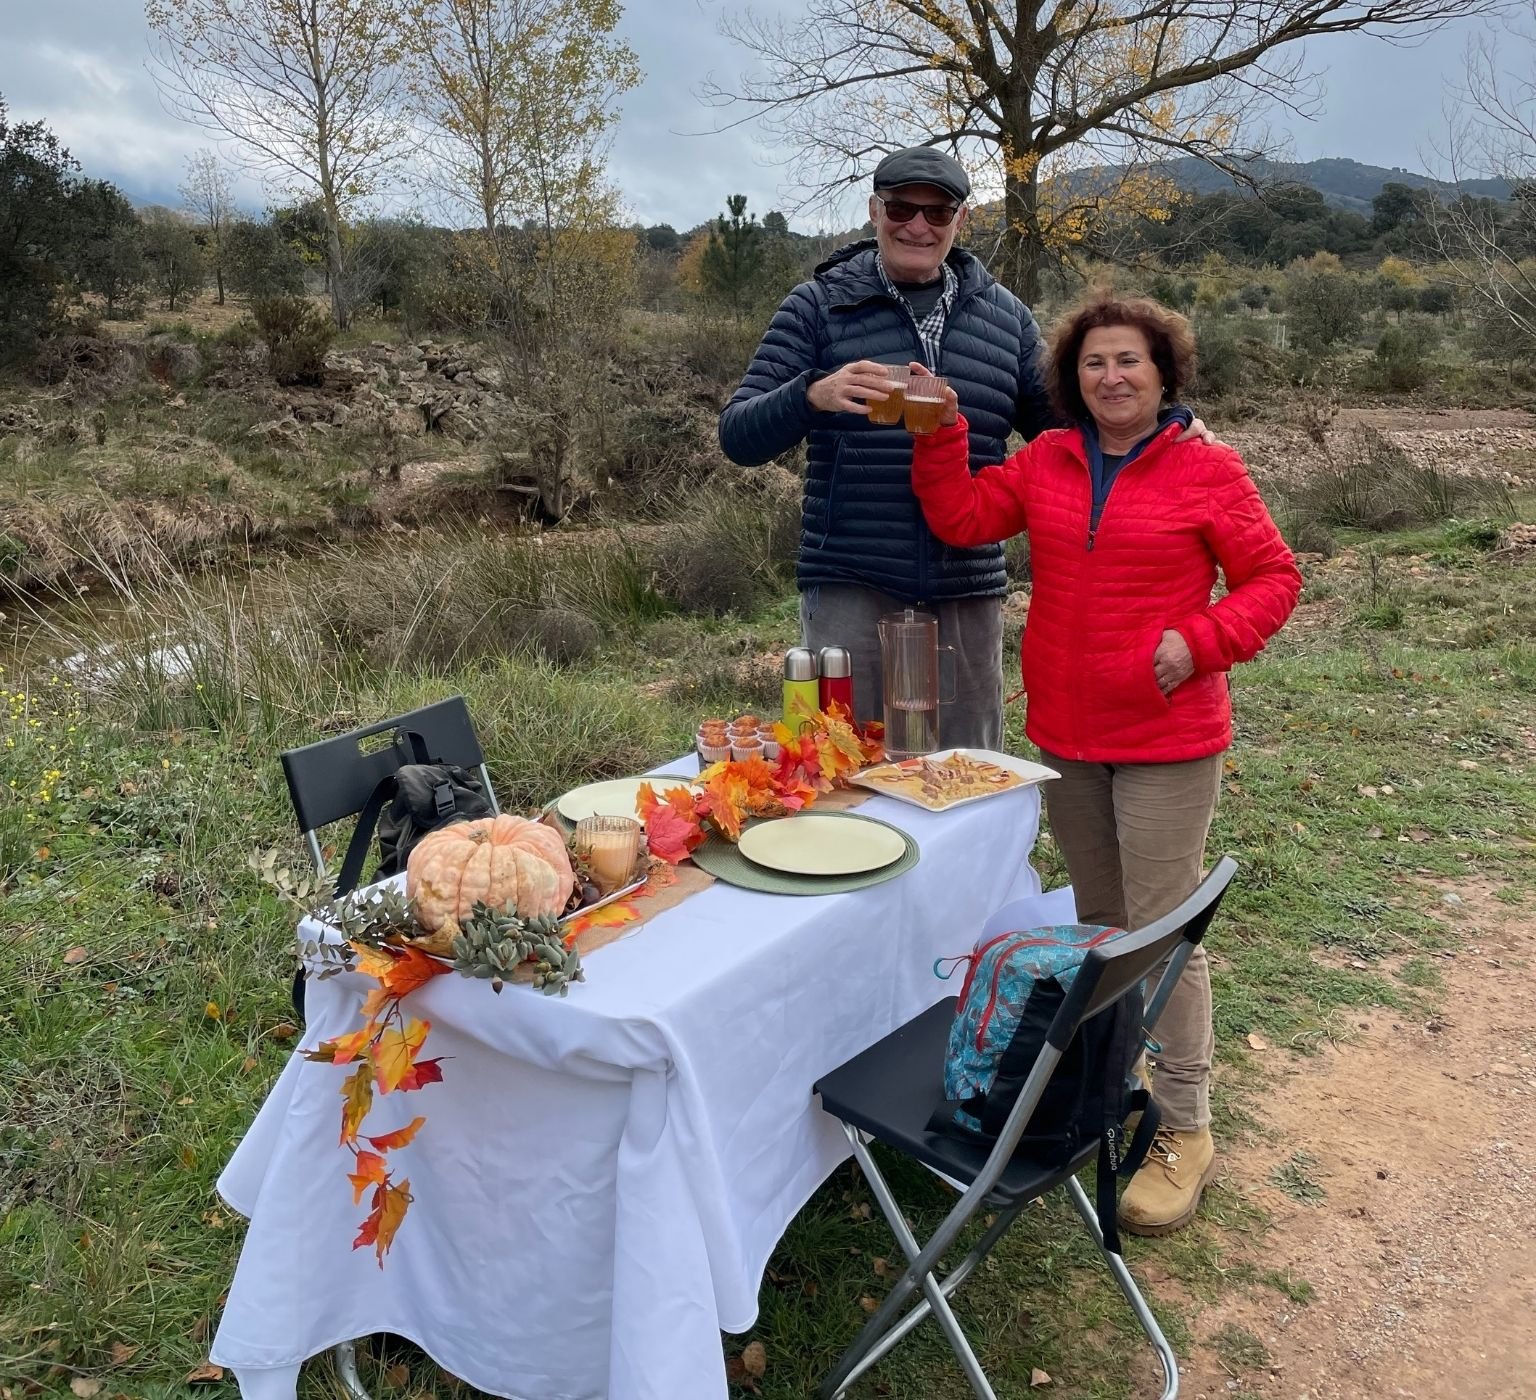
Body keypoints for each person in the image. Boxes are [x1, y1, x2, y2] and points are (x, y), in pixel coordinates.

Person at [908, 293, 1302, 1235]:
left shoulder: (1207, 469)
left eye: (1129, 361)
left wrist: (1201, 640)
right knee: (1099, 921)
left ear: (1164, 373)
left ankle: (1187, 1125)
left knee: (1162, 932)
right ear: (1070, 381)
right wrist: (941, 429)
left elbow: (1275, 579)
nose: (1111, 377)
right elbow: (963, 515)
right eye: (1093, 364)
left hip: (1167, 738)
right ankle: (1110, 1079)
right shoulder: (1046, 460)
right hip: (1067, 738)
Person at [717, 146, 1051, 748]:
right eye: (901, 207)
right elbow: (737, 436)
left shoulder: (1008, 320)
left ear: (960, 222)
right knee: (847, 773)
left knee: (963, 776)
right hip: (851, 583)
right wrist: (812, 393)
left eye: (937, 212)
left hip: (966, 585)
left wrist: (1169, 426)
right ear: (875, 211)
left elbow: (1068, 431)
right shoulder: (817, 306)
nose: (917, 225)